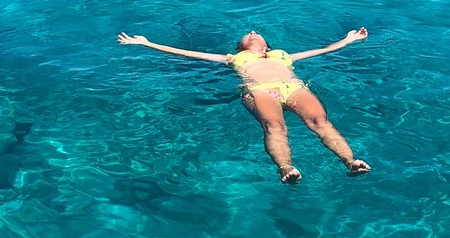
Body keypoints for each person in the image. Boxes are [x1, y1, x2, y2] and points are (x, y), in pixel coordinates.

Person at [117, 27, 371, 184]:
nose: (252, 31)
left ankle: (350, 161)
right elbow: (187, 53)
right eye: (247, 34)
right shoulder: (233, 58)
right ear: (240, 46)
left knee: (320, 122)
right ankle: (286, 168)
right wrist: (146, 43)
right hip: (259, 90)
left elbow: (322, 50)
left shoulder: (283, 55)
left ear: (266, 45)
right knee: (274, 127)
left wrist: (347, 40)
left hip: (294, 87)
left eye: (256, 33)